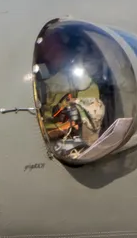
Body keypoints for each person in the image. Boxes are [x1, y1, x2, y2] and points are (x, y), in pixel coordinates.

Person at [35, 29, 106, 158]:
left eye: (57, 47)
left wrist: (59, 130)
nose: (54, 52)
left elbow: (84, 128)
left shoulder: (82, 84)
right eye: (48, 49)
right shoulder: (39, 82)